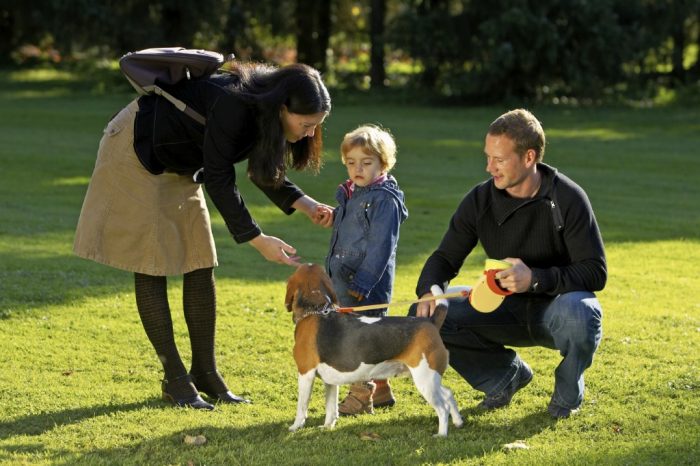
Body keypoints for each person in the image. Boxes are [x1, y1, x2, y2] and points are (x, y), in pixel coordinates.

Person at [74, 61, 334, 410]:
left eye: (316, 127)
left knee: (200, 262)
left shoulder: (264, 113)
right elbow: (219, 177)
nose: (308, 134)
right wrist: (258, 240)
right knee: (152, 263)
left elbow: (262, 171)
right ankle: (176, 379)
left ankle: (205, 373)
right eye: (305, 125)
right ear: (283, 107)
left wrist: (308, 205)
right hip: (138, 153)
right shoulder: (235, 103)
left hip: (182, 163)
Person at [411, 109, 605, 419]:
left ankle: (567, 395)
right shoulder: (479, 200)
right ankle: (505, 377)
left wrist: (535, 279)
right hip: (501, 309)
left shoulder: (568, 198)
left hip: (556, 311)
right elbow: (445, 258)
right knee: (429, 316)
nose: (489, 168)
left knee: (583, 312)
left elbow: (595, 271)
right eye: (488, 157)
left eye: (499, 160)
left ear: (529, 158)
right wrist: (429, 290)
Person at [325, 124, 409, 416]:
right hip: (343, 276)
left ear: (383, 164)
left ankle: (360, 396)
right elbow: (356, 227)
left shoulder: (385, 200)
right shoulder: (352, 192)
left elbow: (380, 246)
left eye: (366, 162)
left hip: (364, 283)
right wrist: (335, 215)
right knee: (364, 335)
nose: (357, 169)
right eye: (351, 163)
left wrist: (363, 281)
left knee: (357, 338)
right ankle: (382, 388)